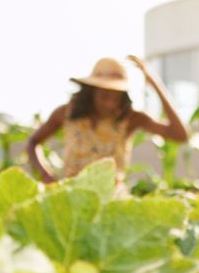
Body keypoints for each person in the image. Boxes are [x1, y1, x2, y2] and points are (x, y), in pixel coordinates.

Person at [26, 56, 189, 183]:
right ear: (91, 92)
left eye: (116, 98)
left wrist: (155, 84)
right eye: (105, 96)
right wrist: (45, 174)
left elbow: (179, 134)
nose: (110, 103)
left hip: (112, 201)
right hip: (72, 198)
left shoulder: (131, 119)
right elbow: (33, 143)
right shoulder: (66, 113)